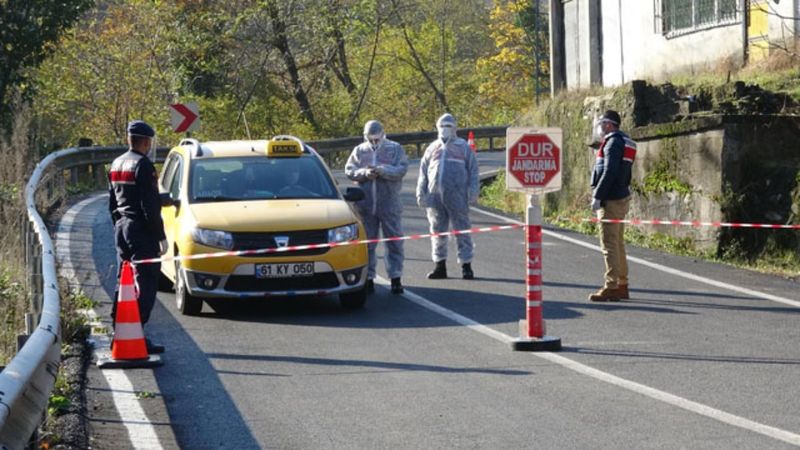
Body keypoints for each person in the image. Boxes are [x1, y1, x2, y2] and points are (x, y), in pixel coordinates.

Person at [108, 120, 168, 353]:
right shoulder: (143, 165)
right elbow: (149, 205)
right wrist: (159, 235)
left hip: (122, 227)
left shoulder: (116, 163)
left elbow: (112, 203)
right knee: (146, 280)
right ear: (146, 142)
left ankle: (119, 329)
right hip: (141, 230)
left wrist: (118, 225)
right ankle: (137, 330)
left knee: (124, 280)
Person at [345, 120, 409, 294]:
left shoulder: (394, 149)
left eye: (376, 138)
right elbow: (349, 170)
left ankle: (396, 277)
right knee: (367, 244)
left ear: (382, 134)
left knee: (394, 241)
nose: (374, 142)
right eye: (370, 138)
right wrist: (364, 173)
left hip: (389, 203)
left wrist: (383, 171)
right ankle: (368, 278)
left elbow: (402, 169)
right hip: (365, 205)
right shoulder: (360, 150)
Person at [416, 113, 479, 280]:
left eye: (448, 126)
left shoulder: (463, 147)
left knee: (462, 230)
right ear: (437, 128)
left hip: (458, 196)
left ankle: (466, 265)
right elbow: (423, 173)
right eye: (442, 126)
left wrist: (473, 192)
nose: (445, 129)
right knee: (437, 231)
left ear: (455, 128)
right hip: (435, 197)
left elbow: (473, 171)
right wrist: (421, 192)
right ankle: (440, 265)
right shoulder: (432, 148)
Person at [588, 110, 637, 302]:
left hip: (610, 199)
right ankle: (622, 284)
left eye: (602, 124)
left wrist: (598, 195)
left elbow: (609, 171)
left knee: (609, 244)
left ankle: (611, 286)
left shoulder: (613, 142)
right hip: (621, 196)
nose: (600, 128)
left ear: (609, 125)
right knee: (618, 243)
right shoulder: (626, 141)